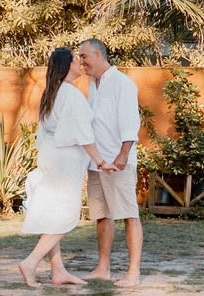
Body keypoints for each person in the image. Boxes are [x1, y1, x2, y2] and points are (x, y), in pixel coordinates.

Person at [18, 47, 111, 288]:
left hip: (51, 156)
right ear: (67, 65)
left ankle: (58, 271)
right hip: (65, 161)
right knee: (64, 215)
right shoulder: (70, 93)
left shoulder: (52, 91)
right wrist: (100, 161)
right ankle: (31, 262)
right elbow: (82, 134)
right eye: (76, 59)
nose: (80, 62)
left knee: (53, 215)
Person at [77, 38, 143, 288]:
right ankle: (103, 268)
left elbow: (129, 123)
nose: (81, 62)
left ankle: (133, 273)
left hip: (117, 163)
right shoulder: (93, 85)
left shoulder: (122, 83)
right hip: (97, 163)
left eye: (83, 57)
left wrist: (123, 156)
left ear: (97, 55)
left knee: (128, 214)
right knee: (102, 216)